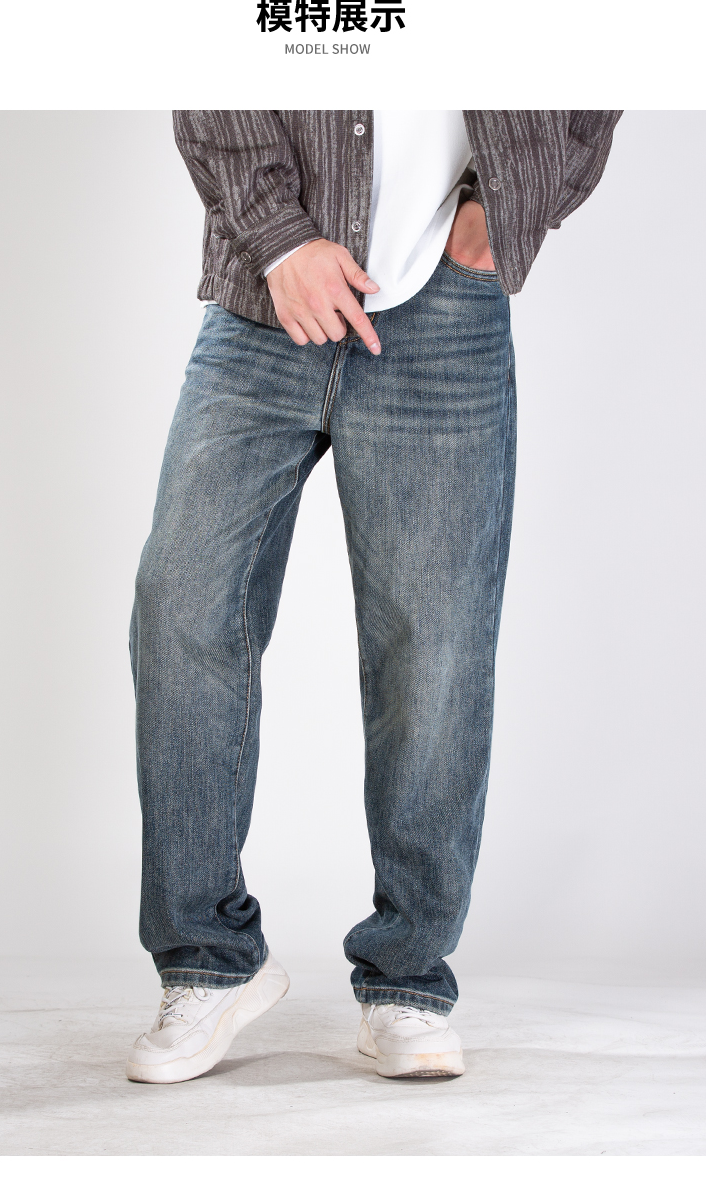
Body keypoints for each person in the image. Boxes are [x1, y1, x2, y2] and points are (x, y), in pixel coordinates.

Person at [125, 110, 622, 1083]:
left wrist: (503, 212)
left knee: (433, 645)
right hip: (266, 297)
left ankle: (408, 977)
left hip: (444, 306)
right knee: (180, 605)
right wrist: (279, 238)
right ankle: (206, 959)